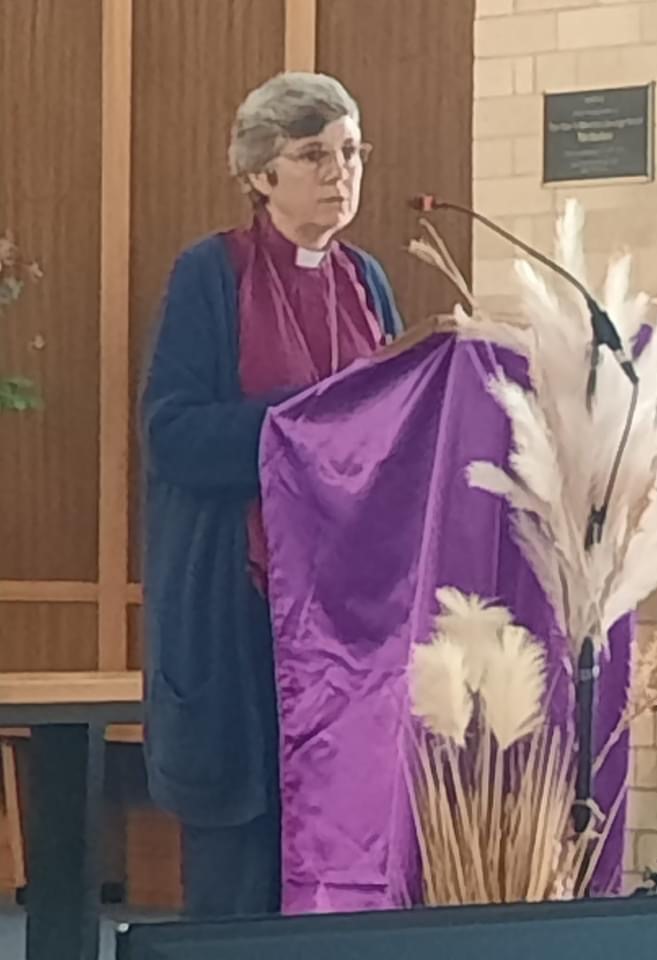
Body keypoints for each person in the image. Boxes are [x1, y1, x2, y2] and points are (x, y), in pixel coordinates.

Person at [139, 72, 403, 919]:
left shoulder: (367, 279)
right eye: (314, 154)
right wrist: (308, 425)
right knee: (240, 876)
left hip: (348, 627)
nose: (340, 171)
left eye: (351, 151)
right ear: (260, 173)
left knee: (340, 864)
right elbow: (173, 436)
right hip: (244, 613)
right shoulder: (212, 274)